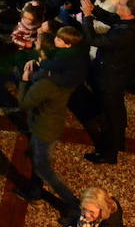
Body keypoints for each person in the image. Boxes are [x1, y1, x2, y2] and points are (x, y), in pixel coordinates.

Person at [20, 25, 88, 215]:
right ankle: (35, 193)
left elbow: (24, 103)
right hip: (49, 124)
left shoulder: (48, 82)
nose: (34, 43)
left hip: (45, 129)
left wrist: (25, 80)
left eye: (37, 43)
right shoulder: (63, 70)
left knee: (45, 170)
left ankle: (75, 205)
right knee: (37, 160)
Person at [79, 0, 135, 165]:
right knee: (116, 110)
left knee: (110, 116)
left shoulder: (125, 34)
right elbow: (113, 19)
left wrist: (87, 17)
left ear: (129, 12)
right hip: (117, 75)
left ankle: (109, 153)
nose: (117, 3)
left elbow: (92, 39)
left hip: (111, 80)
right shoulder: (131, 23)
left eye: (121, 4)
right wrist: (94, 10)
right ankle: (119, 141)